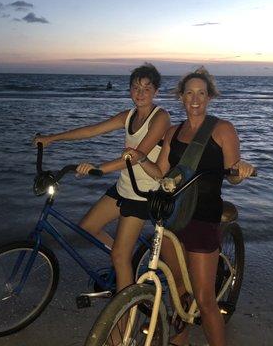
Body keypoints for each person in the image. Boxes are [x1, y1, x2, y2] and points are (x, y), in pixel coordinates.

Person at [123, 67, 255, 346]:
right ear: (181, 97)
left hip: (203, 217)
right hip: (173, 216)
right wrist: (140, 159)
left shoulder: (222, 129)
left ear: (209, 98)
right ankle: (178, 340)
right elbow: (161, 172)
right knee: (177, 288)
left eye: (201, 93)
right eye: (189, 93)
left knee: (205, 300)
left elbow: (231, 176)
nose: (195, 99)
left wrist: (239, 170)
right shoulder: (173, 132)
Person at [32, 63, 170, 264]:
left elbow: (136, 155)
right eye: (136, 88)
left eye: (147, 89)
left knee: (119, 257)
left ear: (156, 91)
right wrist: (52, 138)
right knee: (88, 227)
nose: (140, 93)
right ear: (130, 89)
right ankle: (124, 262)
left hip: (143, 195)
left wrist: (99, 169)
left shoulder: (161, 117)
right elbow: (91, 130)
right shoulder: (128, 116)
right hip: (124, 187)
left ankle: (125, 273)